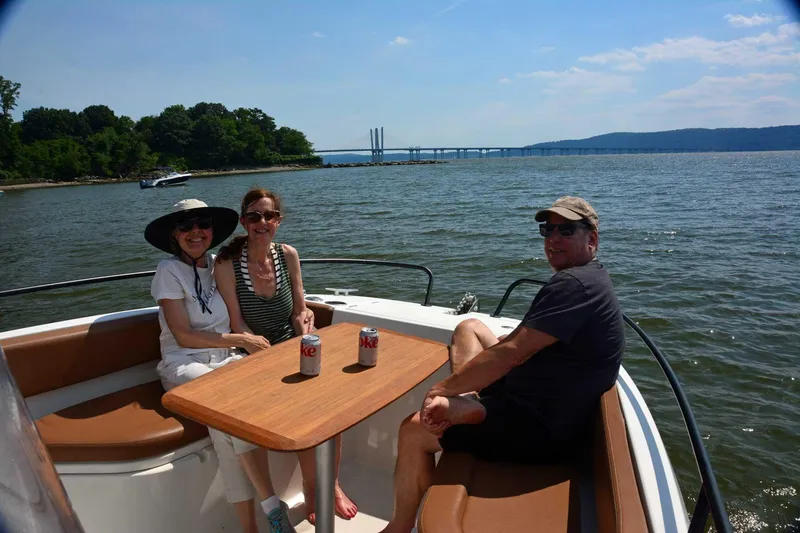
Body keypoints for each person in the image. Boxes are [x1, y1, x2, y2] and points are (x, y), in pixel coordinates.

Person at [380, 196, 625, 533]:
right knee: (470, 328)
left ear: (592, 238)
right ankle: (471, 408)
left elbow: (513, 351)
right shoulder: (591, 277)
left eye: (566, 230)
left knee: (413, 429)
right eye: (547, 229)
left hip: (540, 430)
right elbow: (522, 346)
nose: (553, 239)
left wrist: (440, 389)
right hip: (547, 400)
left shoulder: (573, 285)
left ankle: (401, 524)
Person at [145, 199, 295, 533]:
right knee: (228, 407)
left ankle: (252, 528)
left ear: (213, 231)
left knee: (224, 425)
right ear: (174, 235)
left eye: (203, 224)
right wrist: (242, 342)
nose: (196, 232)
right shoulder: (167, 270)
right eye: (186, 226)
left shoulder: (220, 264)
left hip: (226, 362)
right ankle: (272, 507)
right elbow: (183, 336)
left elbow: (256, 260)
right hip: (184, 364)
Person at [215, 187, 358, 524]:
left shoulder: (288, 255)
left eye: (269, 215)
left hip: (294, 345)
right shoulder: (226, 263)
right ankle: (312, 489)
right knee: (303, 410)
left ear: (278, 221)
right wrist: (268, 355)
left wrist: (305, 327)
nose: (261, 222)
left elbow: (299, 309)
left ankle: (330, 484)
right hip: (254, 352)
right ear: (243, 221)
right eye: (254, 216)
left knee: (334, 405)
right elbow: (237, 323)